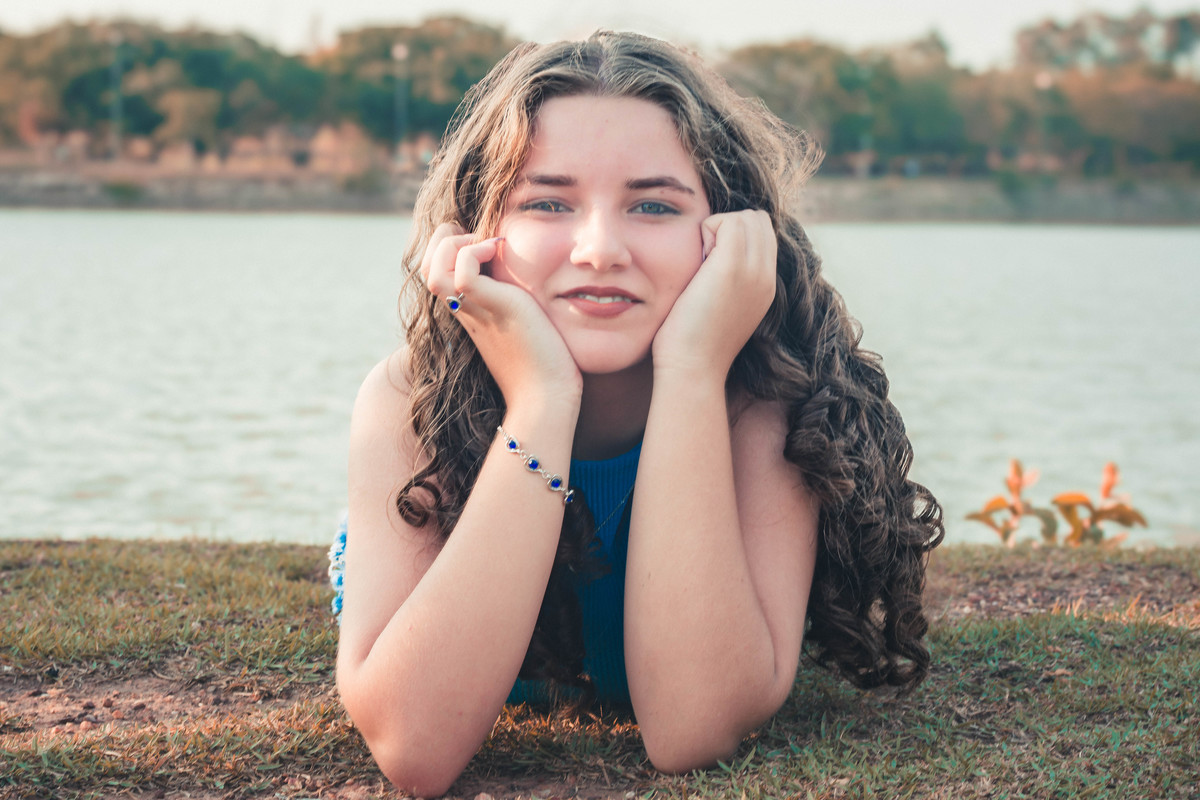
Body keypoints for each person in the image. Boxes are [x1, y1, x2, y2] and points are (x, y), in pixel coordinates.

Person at [331, 30, 943, 798]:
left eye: (653, 205)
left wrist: (692, 369)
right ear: (476, 233)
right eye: (547, 202)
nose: (599, 249)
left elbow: (691, 727)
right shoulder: (410, 402)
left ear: (730, 233)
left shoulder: (767, 409)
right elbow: (414, 749)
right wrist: (542, 400)